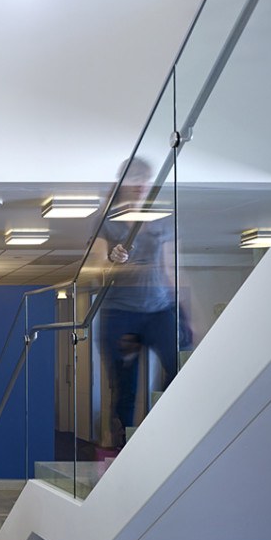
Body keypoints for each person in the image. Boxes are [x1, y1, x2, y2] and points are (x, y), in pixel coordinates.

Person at [97, 158, 179, 446]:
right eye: (135, 179)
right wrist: (114, 261)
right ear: (122, 183)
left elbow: (170, 269)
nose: (142, 184)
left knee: (178, 365)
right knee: (125, 385)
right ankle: (120, 448)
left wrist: (187, 315)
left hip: (159, 308)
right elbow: (96, 270)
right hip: (122, 312)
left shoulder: (162, 218)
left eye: (146, 178)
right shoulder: (107, 219)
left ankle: (163, 429)